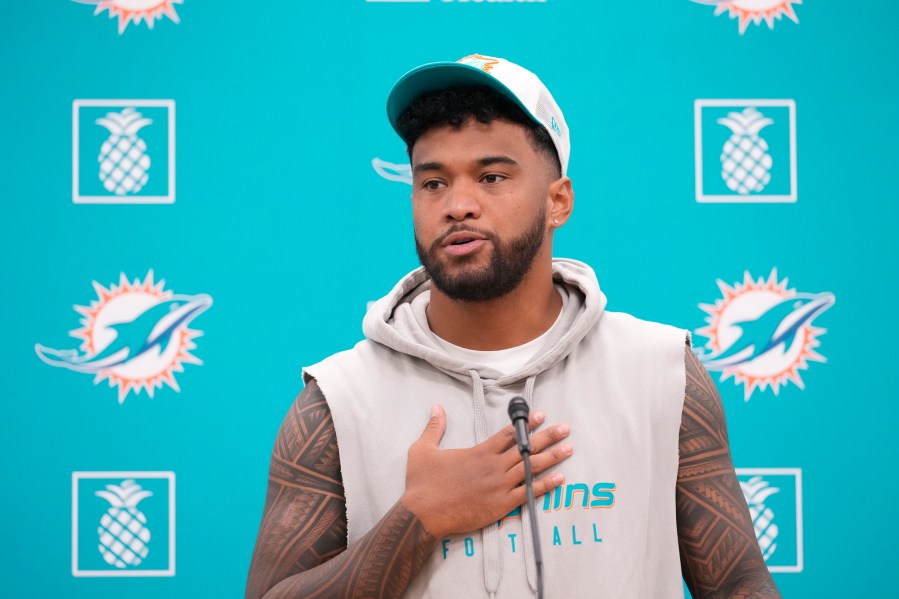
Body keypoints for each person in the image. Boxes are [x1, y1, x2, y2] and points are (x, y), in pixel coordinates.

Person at [245, 54, 781, 599]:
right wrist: (419, 519)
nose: (458, 205)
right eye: (432, 183)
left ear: (558, 202)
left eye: (491, 176)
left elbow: (739, 582)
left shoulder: (661, 371)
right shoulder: (338, 401)